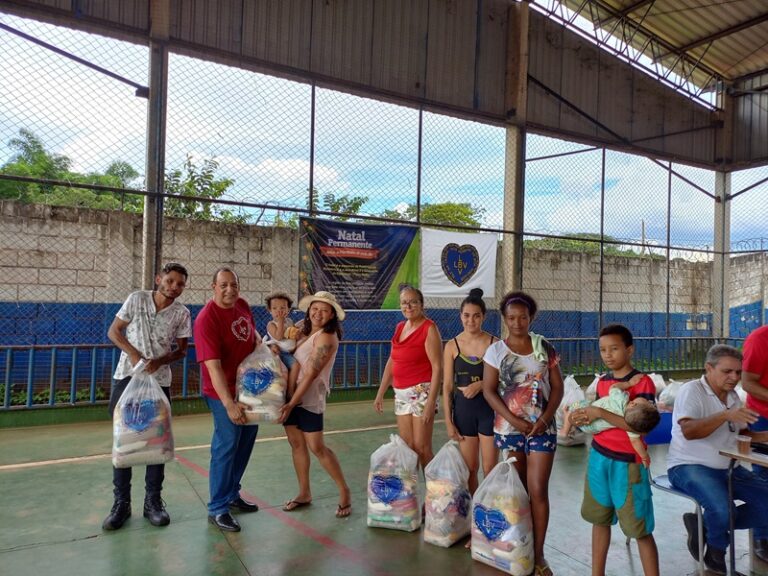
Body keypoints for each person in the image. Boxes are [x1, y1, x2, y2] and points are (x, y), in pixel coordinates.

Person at [102, 262, 192, 531]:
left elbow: (182, 350)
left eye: (180, 284)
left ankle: (153, 503)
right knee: (126, 438)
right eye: (170, 280)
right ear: (159, 278)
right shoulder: (136, 299)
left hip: (158, 381)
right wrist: (132, 353)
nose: (174, 287)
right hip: (127, 378)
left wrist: (161, 360)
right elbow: (114, 331)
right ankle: (121, 504)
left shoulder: (182, 313)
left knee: (156, 441)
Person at [481, 291, 563, 576]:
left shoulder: (545, 348)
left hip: (543, 428)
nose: (517, 323)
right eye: (512, 318)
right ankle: (518, 546)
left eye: (523, 317)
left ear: (531, 318)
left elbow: (558, 387)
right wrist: (513, 420)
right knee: (518, 493)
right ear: (504, 319)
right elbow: (489, 391)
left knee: (538, 490)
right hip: (510, 429)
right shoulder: (496, 351)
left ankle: (538, 554)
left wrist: (545, 418)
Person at [667, 344, 768, 574]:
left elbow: (744, 434)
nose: (734, 377)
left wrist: (765, 435)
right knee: (723, 510)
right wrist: (725, 415)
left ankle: (703, 525)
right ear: (708, 369)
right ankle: (715, 558)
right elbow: (690, 431)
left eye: (738, 372)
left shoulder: (733, 397)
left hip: (729, 467)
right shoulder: (692, 390)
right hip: (689, 465)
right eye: (727, 372)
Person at [569, 324, 659, 576]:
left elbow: (640, 428)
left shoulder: (643, 383)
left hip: (628, 463)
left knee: (639, 528)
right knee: (599, 519)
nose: (608, 355)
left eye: (614, 349)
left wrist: (599, 412)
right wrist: (583, 417)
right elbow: (598, 421)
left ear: (629, 350)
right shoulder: (603, 382)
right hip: (599, 457)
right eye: (603, 350)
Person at [194, 267, 261, 533]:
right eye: (223, 285)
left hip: (248, 388)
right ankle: (218, 508)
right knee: (227, 444)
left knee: (245, 441)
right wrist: (229, 404)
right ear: (213, 287)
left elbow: (251, 333)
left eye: (233, 285)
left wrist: (262, 344)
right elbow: (213, 367)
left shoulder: (242, 305)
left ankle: (232, 493)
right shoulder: (206, 319)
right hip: (222, 391)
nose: (230, 290)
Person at [277, 291, 352, 518]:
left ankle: (344, 492)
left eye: (324, 310)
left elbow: (310, 374)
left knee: (316, 447)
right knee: (296, 444)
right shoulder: (305, 331)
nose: (318, 313)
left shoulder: (326, 338)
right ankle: (304, 493)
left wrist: (292, 403)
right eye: (315, 309)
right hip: (291, 395)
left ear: (331, 315)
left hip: (308, 399)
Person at [373, 285, 442, 469]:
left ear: (421, 304)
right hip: (401, 393)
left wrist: (430, 403)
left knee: (422, 448)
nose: (408, 306)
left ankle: (437, 495)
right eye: (404, 302)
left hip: (421, 392)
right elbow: (392, 360)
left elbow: (437, 367)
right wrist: (380, 392)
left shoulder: (429, 328)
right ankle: (410, 497)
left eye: (413, 302)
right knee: (408, 448)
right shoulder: (400, 327)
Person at [442, 287, 498, 496]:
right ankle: (475, 513)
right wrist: (448, 421)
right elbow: (447, 386)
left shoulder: (495, 344)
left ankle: (490, 514)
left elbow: (504, 381)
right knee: (470, 470)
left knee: (490, 470)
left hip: (489, 412)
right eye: (466, 316)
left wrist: (482, 384)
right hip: (464, 414)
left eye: (476, 316)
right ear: (460, 316)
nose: (471, 321)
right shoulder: (452, 346)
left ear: (483, 317)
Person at [559, 374, 660, 466]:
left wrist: (629, 383)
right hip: (591, 429)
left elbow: (614, 387)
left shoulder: (621, 399)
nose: (649, 401)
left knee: (574, 407)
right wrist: (644, 456)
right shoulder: (631, 425)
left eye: (648, 402)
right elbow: (635, 441)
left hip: (585, 415)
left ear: (633, 404)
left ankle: (565, 430)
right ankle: (571, 427)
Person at [740, 325, 768, 559]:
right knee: (764, 478)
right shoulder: (759, 339)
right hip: (763, 418)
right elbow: (747, 382)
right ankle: (762, 537)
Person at [262, 291, 298, 371]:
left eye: (282, 308)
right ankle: (291, 384)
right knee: (295, 366)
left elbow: (294, 332)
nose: (279, 311)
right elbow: (279, 337)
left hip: (291, 352)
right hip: (281, 353)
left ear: (288, 310)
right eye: (275, 308)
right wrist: (281, 321)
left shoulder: (289, 321)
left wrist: (297, 333)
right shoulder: (271, 324)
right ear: (270, 310)